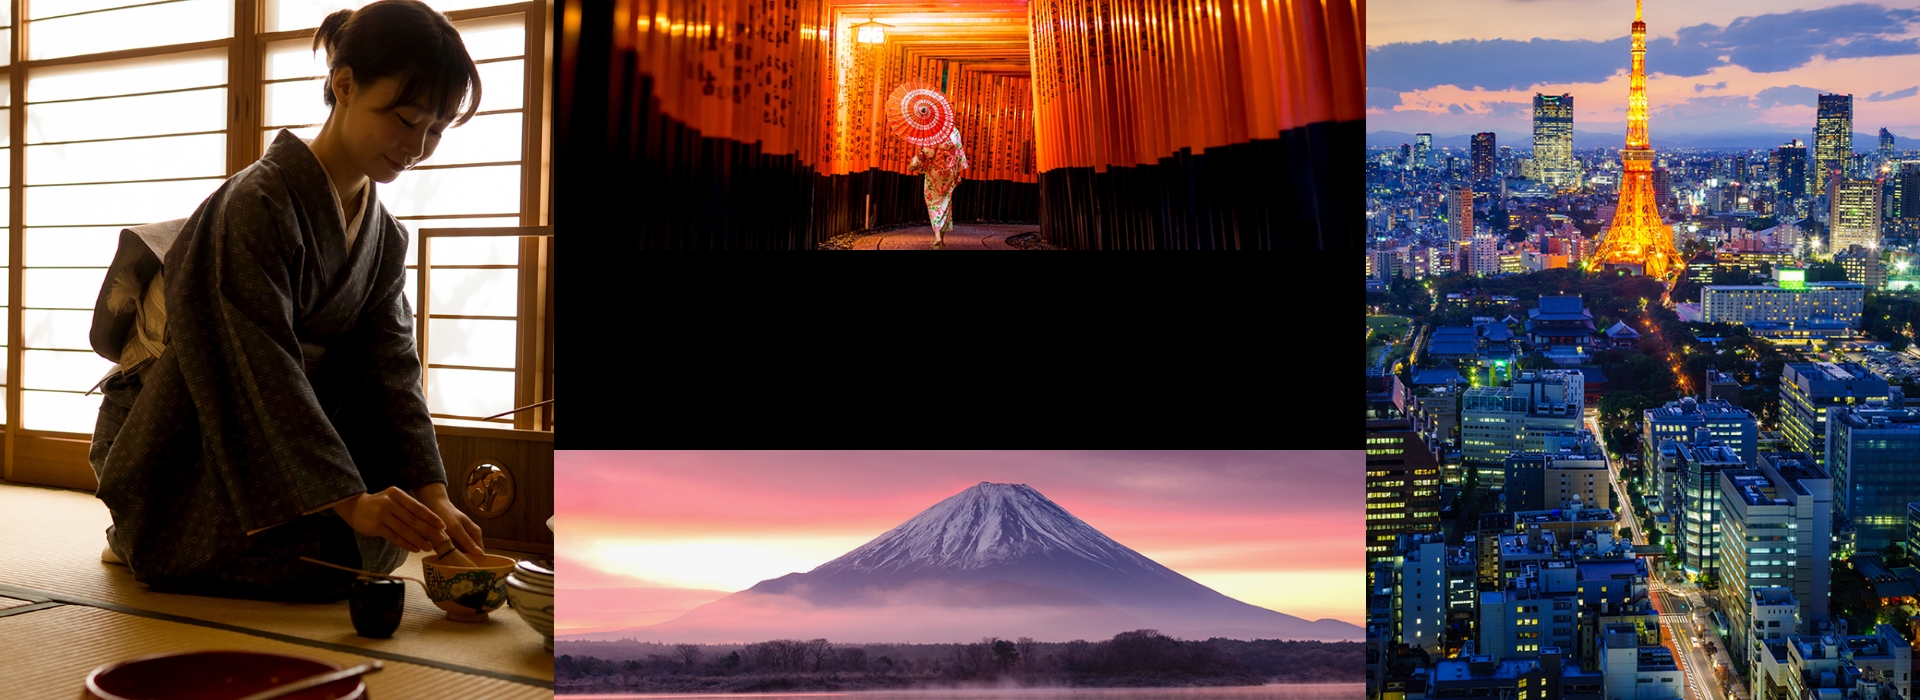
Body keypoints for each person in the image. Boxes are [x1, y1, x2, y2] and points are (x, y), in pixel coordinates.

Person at [86, 0, 487, 602]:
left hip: (290, 431)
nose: (418, 146)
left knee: (373, 540)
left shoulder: (385, 237)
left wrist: (433, 494)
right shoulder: (258, 204)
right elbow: (257, 364)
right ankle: (137, 529)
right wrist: (349, 498)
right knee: (311, 556)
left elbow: (391, 371)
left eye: (434, 130)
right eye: (405, 119)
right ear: (343, 85)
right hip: (191, 425)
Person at [906, 127, 969, 249]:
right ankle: (942, 238)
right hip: (949, 170)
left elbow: (929, 153)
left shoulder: (935, 131)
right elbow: (959, 154)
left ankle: (937, 237)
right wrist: (957, 174)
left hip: (936, 170)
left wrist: (922, 152)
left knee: (933, 202)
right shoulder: (955, 131)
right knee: (946, 202)